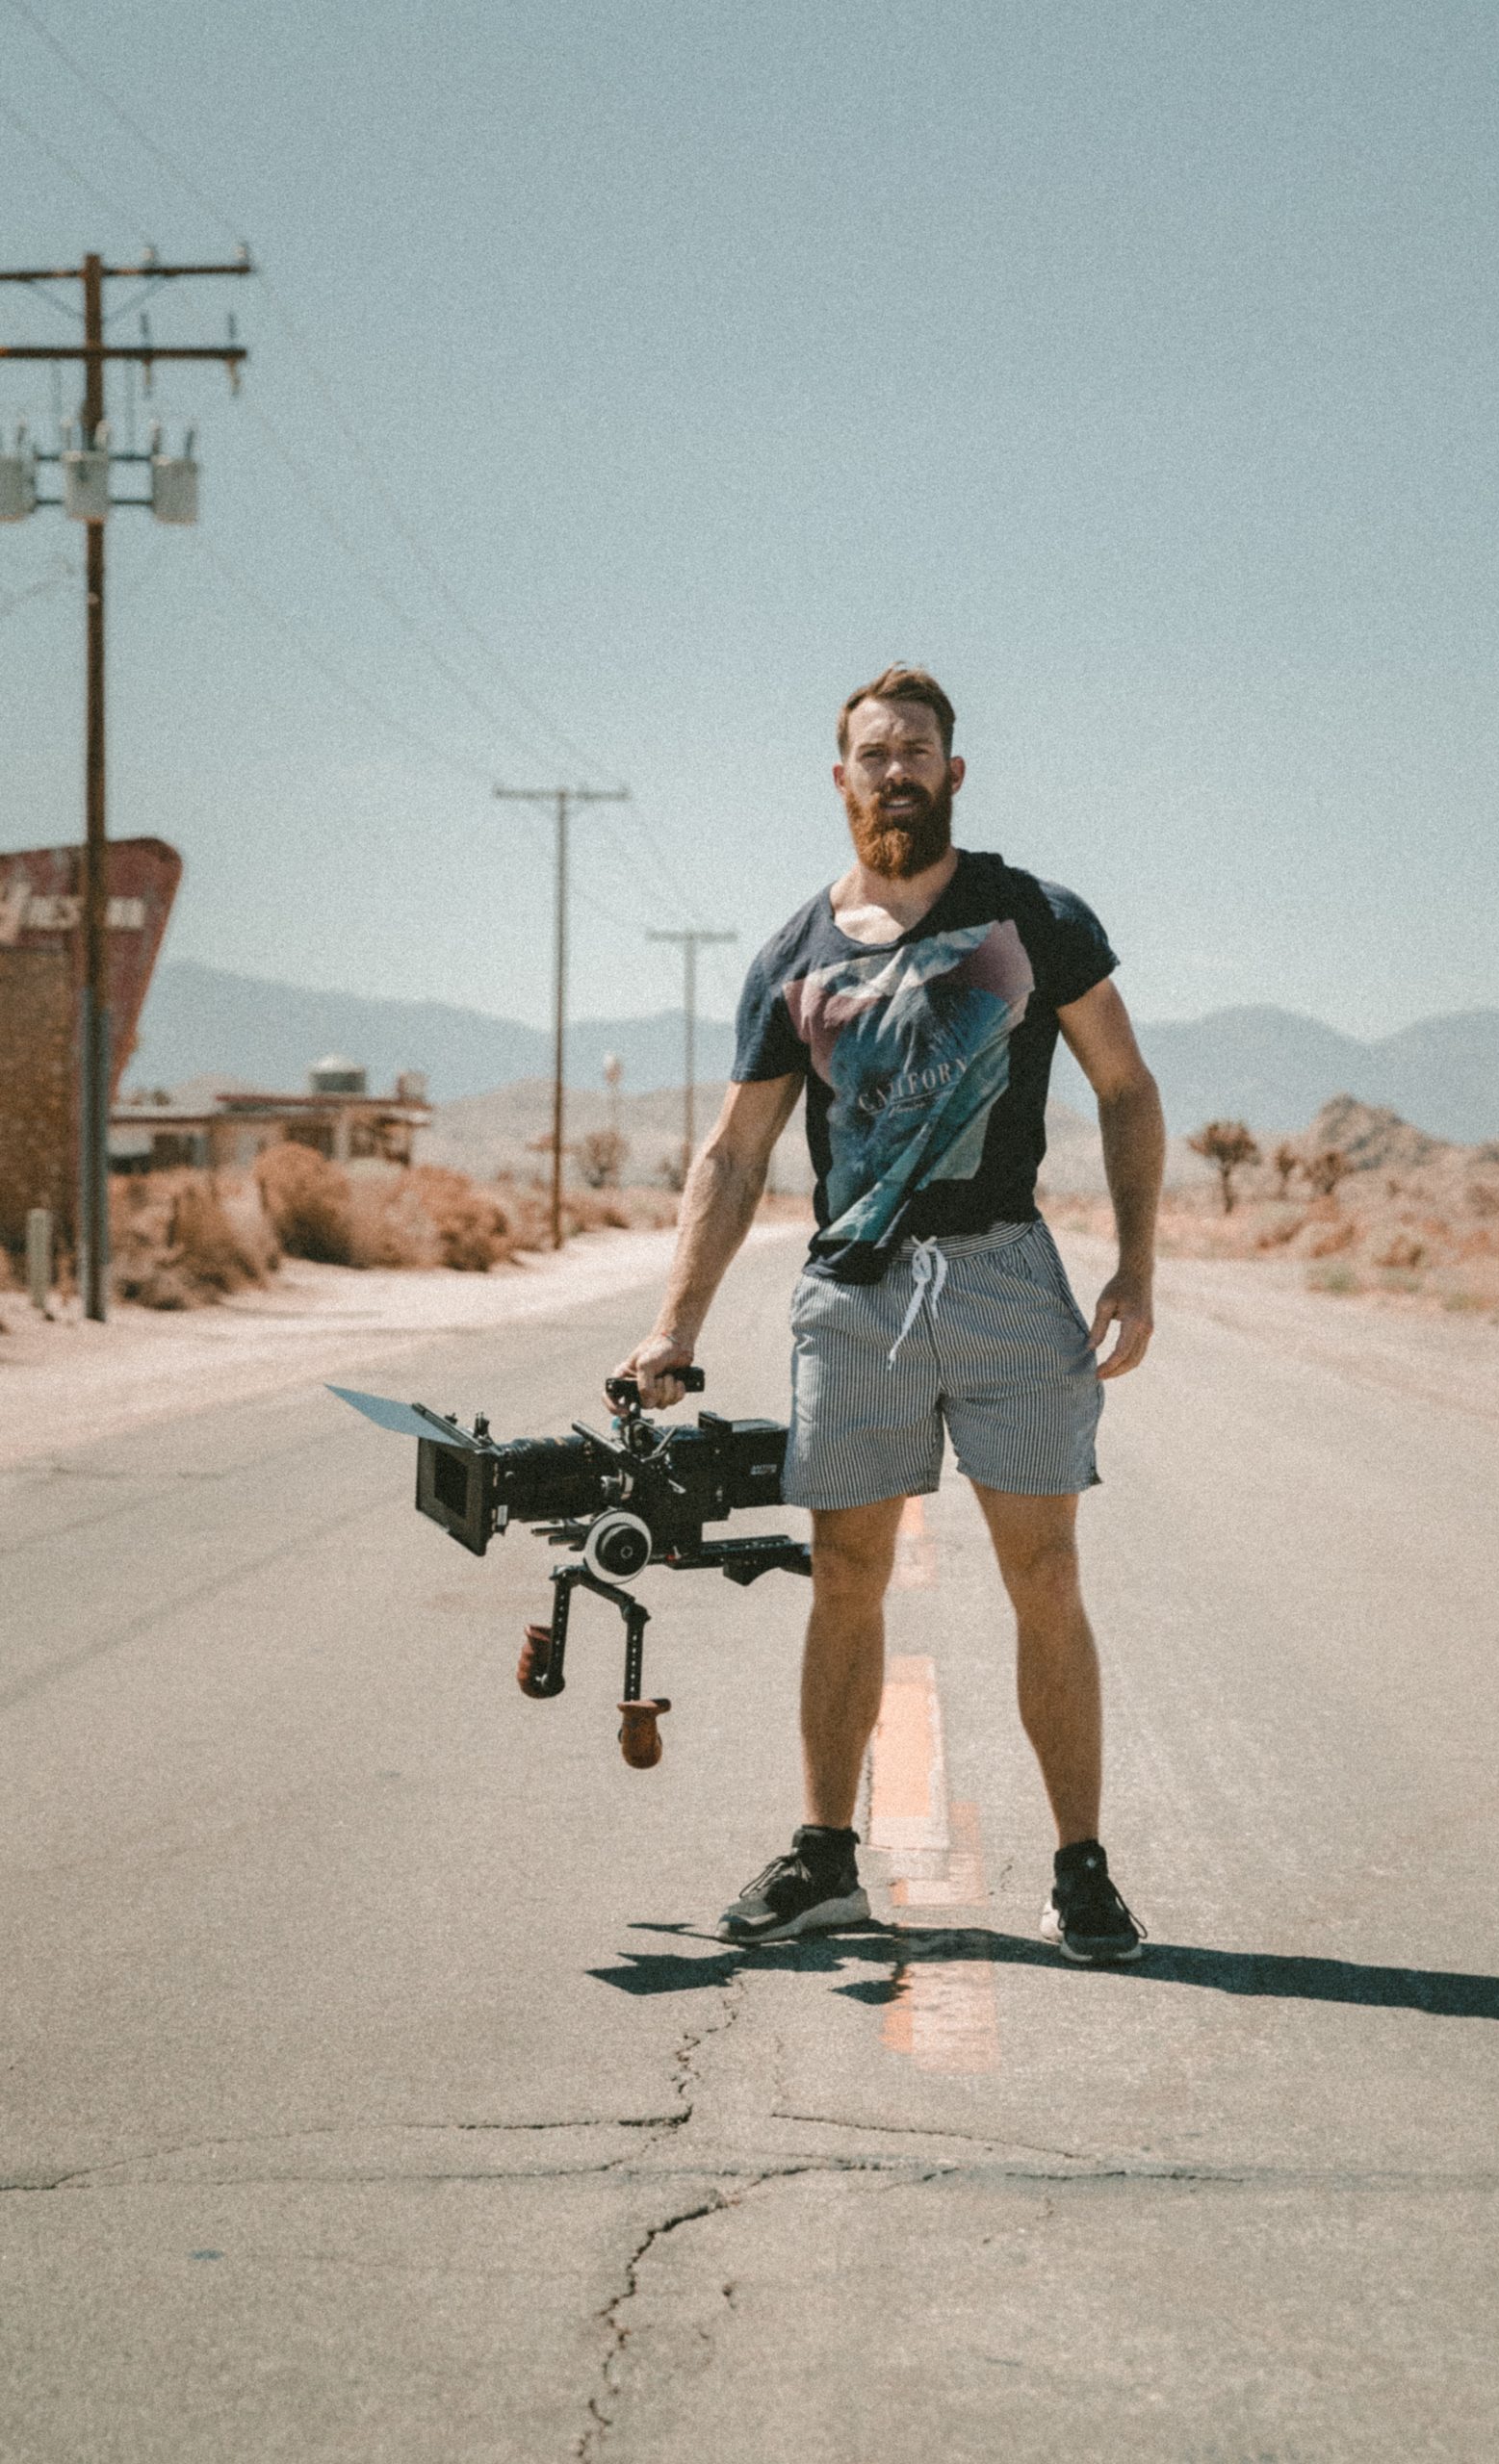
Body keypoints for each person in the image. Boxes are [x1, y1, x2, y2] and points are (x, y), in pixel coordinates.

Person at [614, 664, 1166, 1963]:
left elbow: (1127, 1090)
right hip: (850, 1299)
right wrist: (671, 1326)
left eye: (917, 749)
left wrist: (1135, 1269)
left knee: (1045, 1574)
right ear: (840, 778)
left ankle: (1080, 1870)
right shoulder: (793, 956)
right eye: (874, 752)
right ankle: (824, 1861)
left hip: (1003, 1279)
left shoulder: (1031, 917)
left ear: (953, 772)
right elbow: (736, 1154)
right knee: (846, 1578)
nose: (896, 768)